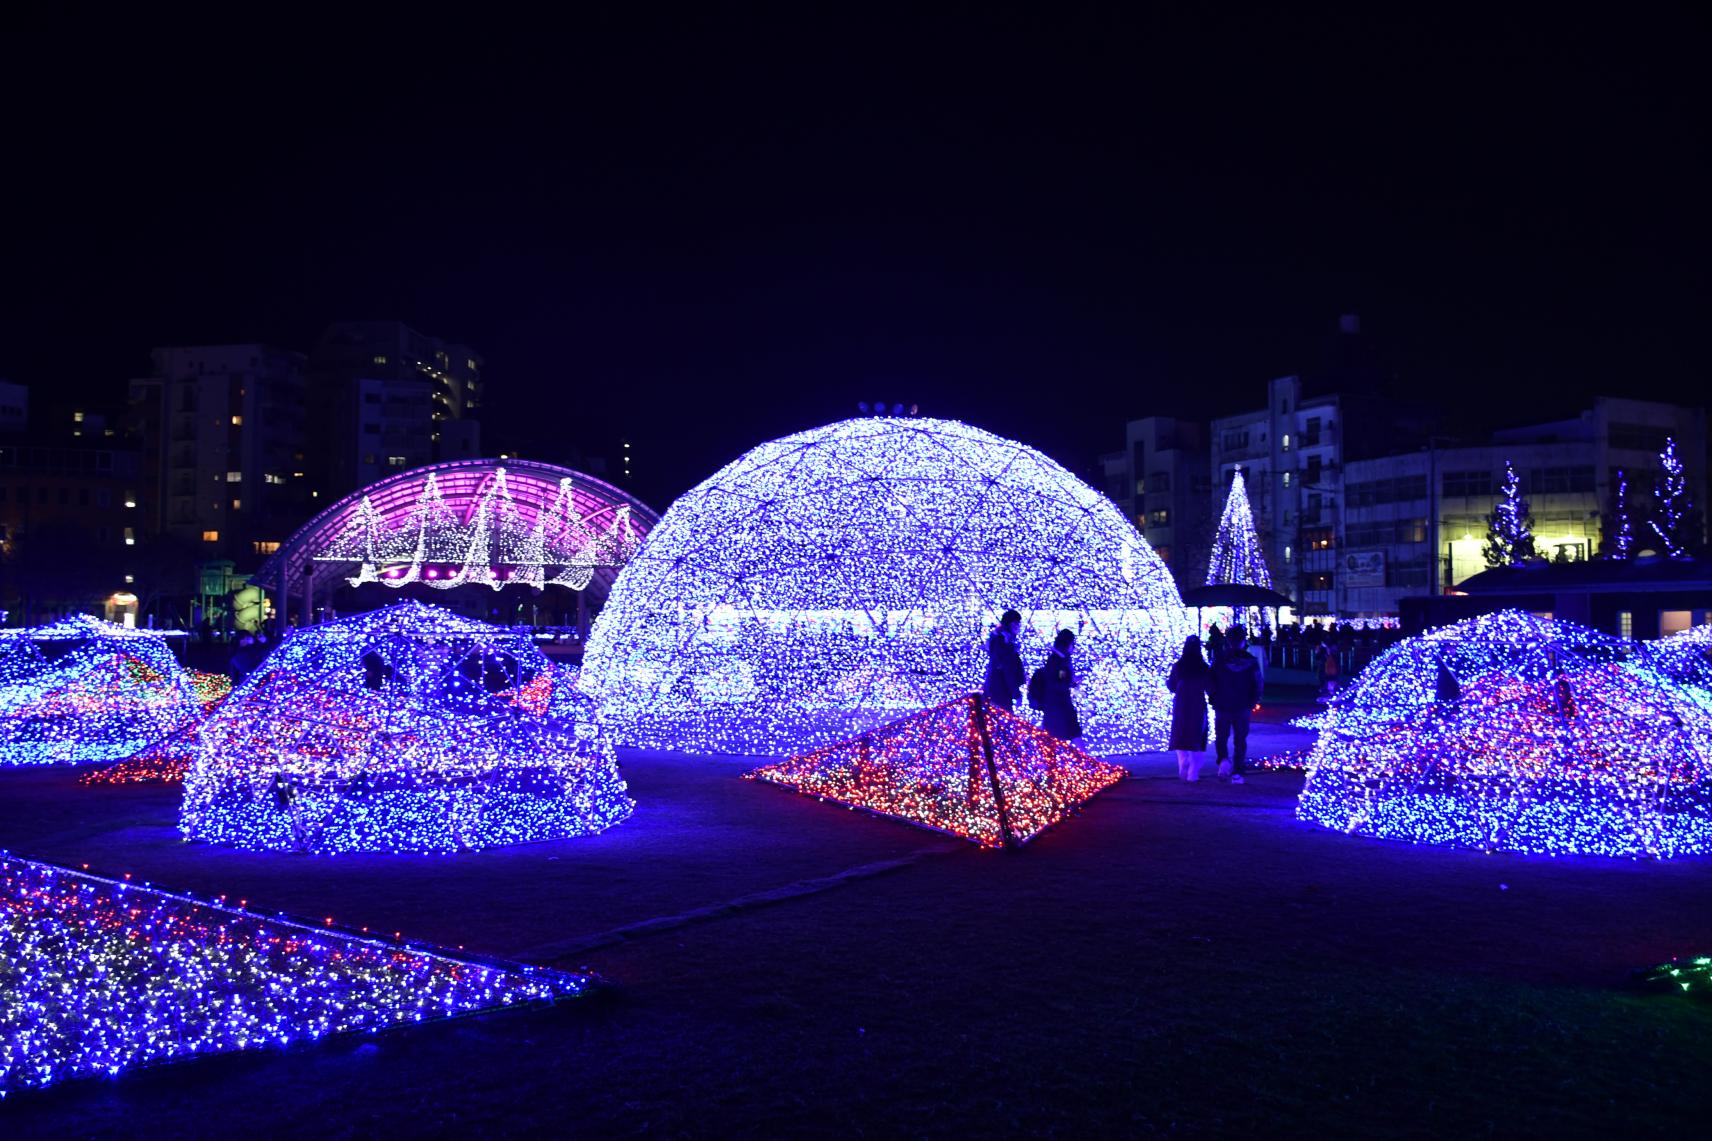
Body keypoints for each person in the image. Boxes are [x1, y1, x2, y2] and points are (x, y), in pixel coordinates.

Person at [1209, 623, 1261, 784]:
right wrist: (1254, 700)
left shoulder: (1219, 660)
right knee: (1240, 739)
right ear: (1243, 641)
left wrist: (1213, 698)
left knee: (1221, 736)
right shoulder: (1251, 662)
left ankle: (1223, 761)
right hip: (1243, 705)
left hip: (1222, 704)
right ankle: (1238, 771)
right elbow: (1258, 683)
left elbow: (1211, 682)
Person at [1166, 634, 1212, 780]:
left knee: (1180, 733)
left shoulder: (1178, 666)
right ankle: (1193, 772)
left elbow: (1172, 685)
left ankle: (1183, 761)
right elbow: (1209, 687)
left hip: (1181, 703)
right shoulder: (1203, 667)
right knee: (1197, 735)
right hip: (1197, 704)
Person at [1034, 629, 1082, 742]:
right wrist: (1073, 681)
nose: (1073, 647)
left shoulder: (1058, 659)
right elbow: (1060, 680)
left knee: (1059, 735)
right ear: (1067, 644)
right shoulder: (1059, 661)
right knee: (1071, 733)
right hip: (1059, 704)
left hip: (1054, 704)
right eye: (1072, 644)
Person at [982, 609, 1026, 711]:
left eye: (1019, 623)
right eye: (1015, 623)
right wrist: (1016, 692)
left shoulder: (1003, 640)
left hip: (998, 690)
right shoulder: (1003, 642)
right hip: (1001, 691)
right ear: (1008, 624)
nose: (1018, 626)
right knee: (1003, 717)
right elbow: (1008, 668)